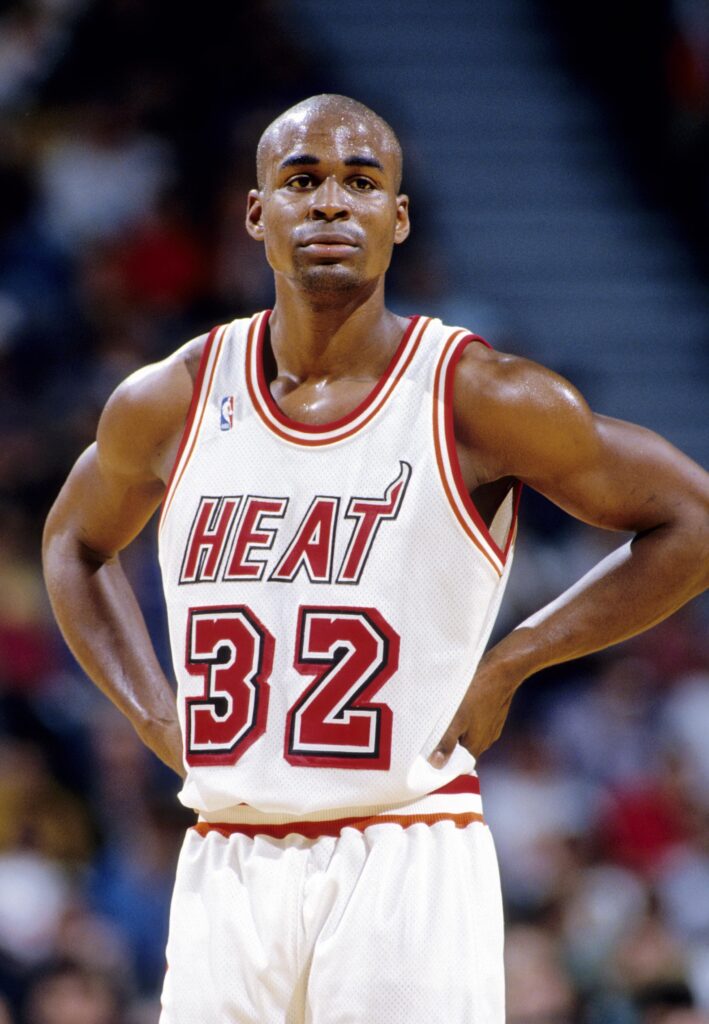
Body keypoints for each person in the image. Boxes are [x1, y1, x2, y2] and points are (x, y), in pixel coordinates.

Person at [42, 94, 709, 1024]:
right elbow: (72, 543)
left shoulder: (479, 395)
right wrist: (154, 713)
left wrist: (514, 662)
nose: (329, 203)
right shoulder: (171, 398)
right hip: (226, 853)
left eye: (359, 183)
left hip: (405, 848)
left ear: (397, 218)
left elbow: (690, 519)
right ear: (256, 213)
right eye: (302, 180)